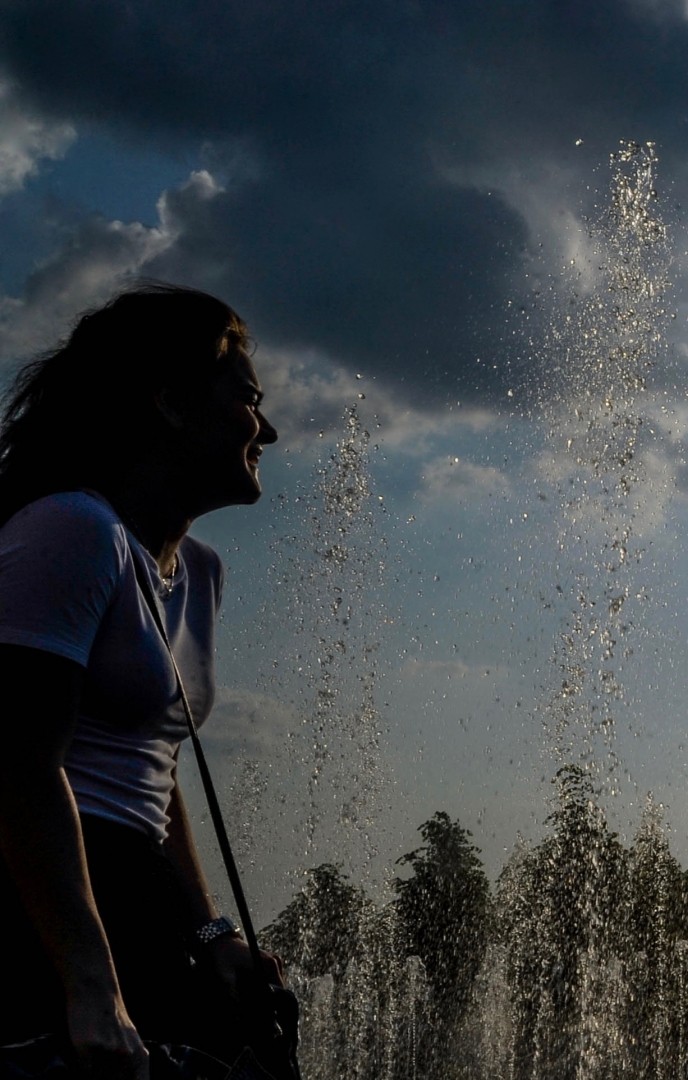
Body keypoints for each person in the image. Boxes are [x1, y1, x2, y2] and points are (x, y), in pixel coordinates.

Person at [0, 283, 282, 1078]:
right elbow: (19, 765)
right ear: (169, 402)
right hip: (43, 895)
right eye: (248, 401)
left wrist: (211, 933)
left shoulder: (198, 571)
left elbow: (156, 770)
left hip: (136, 886)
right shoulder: (73, 529)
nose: (269, 429)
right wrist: (88, 985)